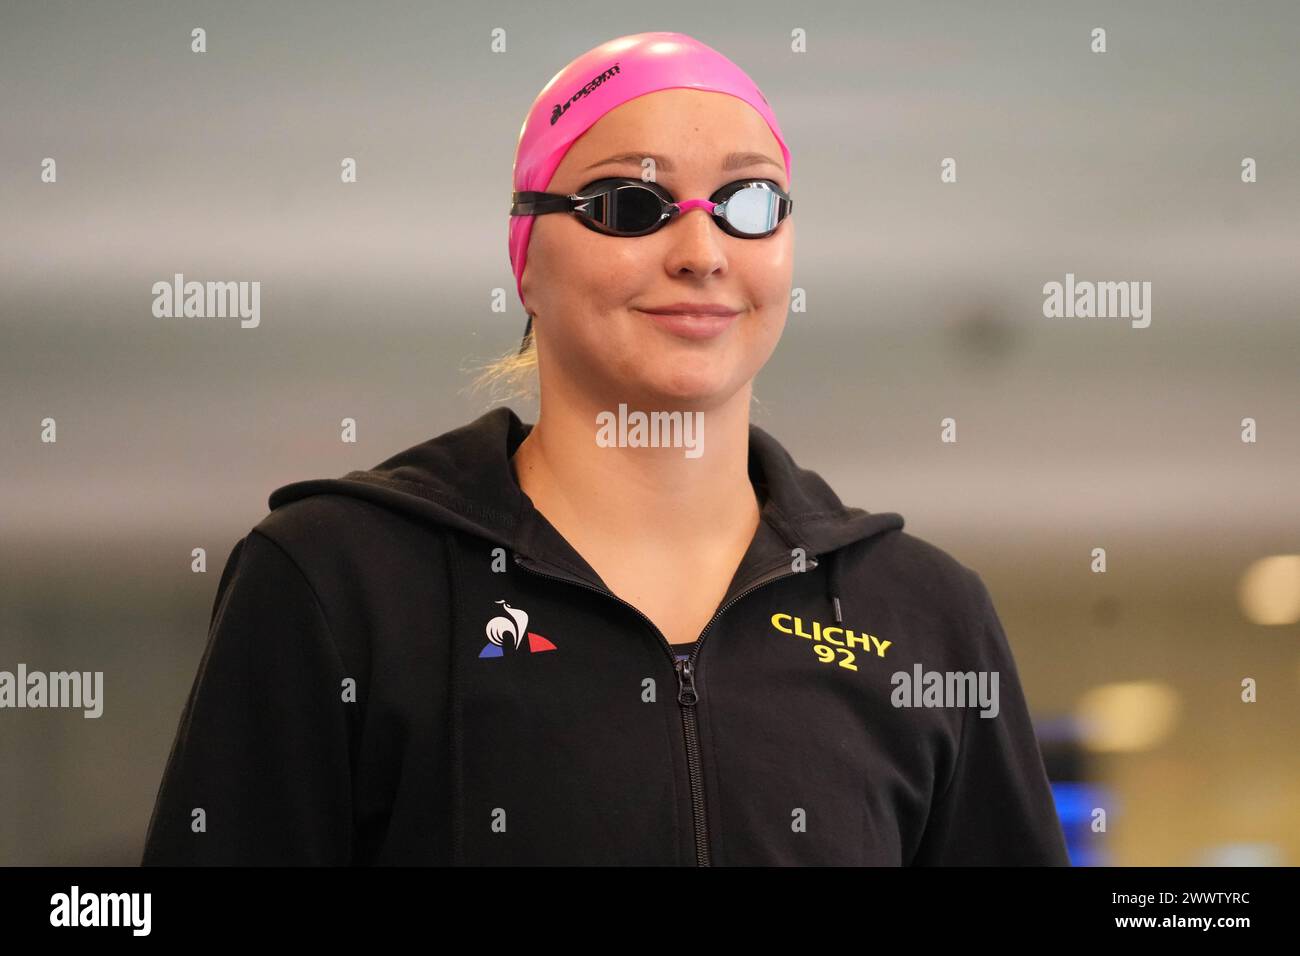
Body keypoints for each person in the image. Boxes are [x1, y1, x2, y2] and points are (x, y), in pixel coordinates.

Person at [141, 31, 1069, 866]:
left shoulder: (923, 613)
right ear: (526, 260)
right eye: (631, 202)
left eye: (750, 201)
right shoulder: (342, 582)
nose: (702, 250)